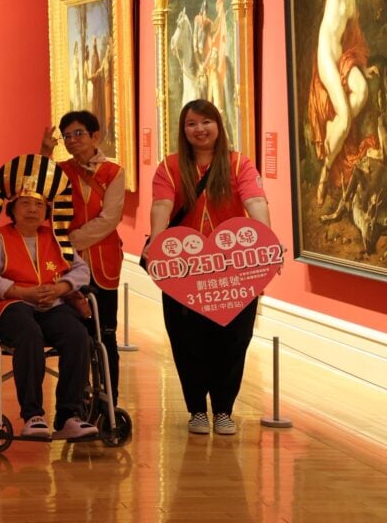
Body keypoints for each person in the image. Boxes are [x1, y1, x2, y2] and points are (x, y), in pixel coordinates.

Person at [147, 99, 271, 435]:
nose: (199, 129)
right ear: (183, 129)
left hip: (234, 267)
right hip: (182, 268)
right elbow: (162, 205)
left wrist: (267, 243)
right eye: (191, 124)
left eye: (206, 122)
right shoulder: (170, 166)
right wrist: (156, 244)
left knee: (234, 339)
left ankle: (224, 410)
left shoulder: (238, 164)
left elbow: (255, 200)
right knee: (187, 340)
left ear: (218, 125)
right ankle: (197, 409)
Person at [0, 160, 98, 440]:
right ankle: (33, 415)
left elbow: (81, 270)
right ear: (12, 208)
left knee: (78, 335)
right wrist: (18, 291)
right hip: (10, 305)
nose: (32, 209)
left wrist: (61, 288)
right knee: (29, 333)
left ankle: (69, 416)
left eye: (38, 205)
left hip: (51, 304)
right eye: (25, 203)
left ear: (47, 211)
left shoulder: (56, 238)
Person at [44, 111, 126, 403]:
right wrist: (45, 152)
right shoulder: (59, 169)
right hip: (65, 264)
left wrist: (68, 241)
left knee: (106, 333)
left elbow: (110, 218)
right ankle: (78, 398)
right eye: (67, 136)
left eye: (78, 133)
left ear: (95, 136)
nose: (72, 140)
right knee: (76, 334)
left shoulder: (113, 172)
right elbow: (36, 191)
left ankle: (109, 399)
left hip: (103, 262)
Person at [310, 0, 372, 205]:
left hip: (342, 55)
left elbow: (352, 31)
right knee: (346, 117)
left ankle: (336, 128)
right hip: (326, 54)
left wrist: (362, 65)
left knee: (363, 92)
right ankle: (325, 172)